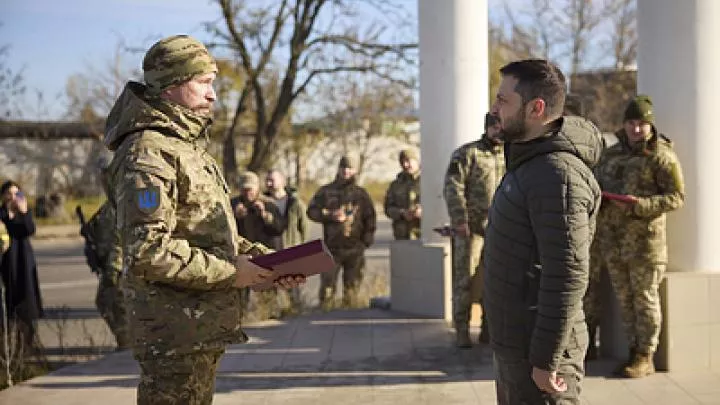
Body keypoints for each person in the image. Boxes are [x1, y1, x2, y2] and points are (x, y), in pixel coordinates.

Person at [102, 34, 304, 404]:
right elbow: (147, 250)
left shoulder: (186, 148)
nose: (213, 95)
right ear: (171, 86)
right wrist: (233, 271)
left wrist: (263, 262)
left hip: (197, 328)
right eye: (204, 83)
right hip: (174, 335)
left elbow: (209, 233)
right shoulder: (148, 154)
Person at [484, 59, 604, 404]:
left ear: (536, 108)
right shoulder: (529, 161)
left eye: (503, 101)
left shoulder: (558, 176)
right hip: (517, 345)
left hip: (540, 355)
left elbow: (567, 274)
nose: (494, 110)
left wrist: (545, 361)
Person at [592, 95, 685, 378]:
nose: (636, 129)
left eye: (642, 124)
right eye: (631, 123)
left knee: (645, 299)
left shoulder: (662, 156)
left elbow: (677, 197)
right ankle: (634, 351)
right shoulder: (611, 154)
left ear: (650, 125)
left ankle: (646, 355)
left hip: (645, 244)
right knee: (625, 300)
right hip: (614, 242)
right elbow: (597, 183)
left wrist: (640, 205)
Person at [443, 113, 504, 348]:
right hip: (471, 230)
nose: (499, 132)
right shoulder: (468, 154)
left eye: (502, 127)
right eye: (495, 127)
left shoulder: (511, 154)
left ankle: (490, 328)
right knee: (465, 280)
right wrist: (460, 219)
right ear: (487, 128)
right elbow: (452, 187)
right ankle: (462, 329)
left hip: (500, 230)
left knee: (495, 281)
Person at [307, 155, 376, 309]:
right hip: (332, 249)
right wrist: (329, 215)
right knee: (327, 291)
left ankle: (349, 326)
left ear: (355, 170)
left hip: (355, 249)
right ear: (338, 169)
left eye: (349, 168)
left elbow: (370, 217)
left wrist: (366, 240)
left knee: (352, 291)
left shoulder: (361, 194)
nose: (346, 171)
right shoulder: (326, 191)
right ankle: (324, 324)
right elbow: (311, 211)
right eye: (343, 168)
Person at [81, 156, 130, 350]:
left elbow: (119, 239)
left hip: (118, 268)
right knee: (109, 303)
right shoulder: (110, 205)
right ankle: (125, 342)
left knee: (114, 303)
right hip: (111, 265)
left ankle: (127, 344)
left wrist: (113, 268)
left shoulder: (120, 203)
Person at [231, 171, 285, 318]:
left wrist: (265, 216)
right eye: (244, 189)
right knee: (240, 289)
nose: (247, 193)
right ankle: (240, 316)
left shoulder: (269, 204)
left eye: (250, 189)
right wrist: (235, 217)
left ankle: (270, 314)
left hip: (263, 252)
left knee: (267, 286)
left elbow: (279, 228)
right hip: (242, 255)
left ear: (257, 188)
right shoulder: (233, 204)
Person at [0, 180, 42, 351]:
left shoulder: (24, 213)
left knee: (26, 304)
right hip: (5, 264)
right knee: (6, 309)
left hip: (23, 262)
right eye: (8, 194)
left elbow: (29, 229)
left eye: (15, 193)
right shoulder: (1, 214)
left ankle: (26, 348)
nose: (12, 197)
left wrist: (23, 213)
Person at [264, 169, 309, 310]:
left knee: (293, 283)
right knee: (270, 285)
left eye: (272, 180)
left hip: (291, 249)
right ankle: (271, 311)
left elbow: (304, 228)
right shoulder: (263, 202)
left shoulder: (295, 203)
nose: (269, 183)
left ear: (282, 181)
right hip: (270, 249)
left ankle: (296, 310)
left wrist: (301, 248)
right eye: (267, 180)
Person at [384, 149, 421, 240]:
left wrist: (425, 212)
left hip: (424, 236)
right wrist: (402, 213)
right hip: (402, 237)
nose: (405, 165)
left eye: (408, 161)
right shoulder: (395, 185)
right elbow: (388, 208)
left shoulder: (429, 181)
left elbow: (439, 204)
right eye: (402, 162)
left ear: (416, 161)